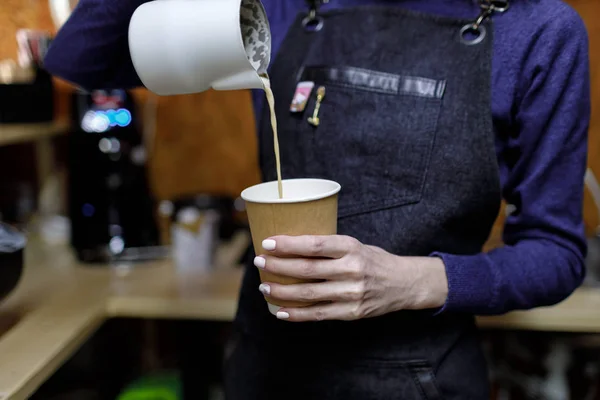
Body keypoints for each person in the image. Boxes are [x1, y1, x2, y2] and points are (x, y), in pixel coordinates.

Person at [44, 0, 591, 398]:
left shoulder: (534, 30)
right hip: (264, 371)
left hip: (418, 379)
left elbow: (557, 252)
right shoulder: (288, 10)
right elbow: (78, 58)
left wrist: (411, 281)